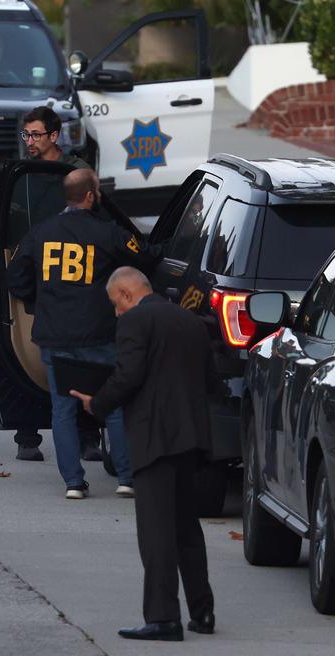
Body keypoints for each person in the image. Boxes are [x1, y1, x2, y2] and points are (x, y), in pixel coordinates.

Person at [71, 267, 216, 642]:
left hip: (154, 437)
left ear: (125, 294)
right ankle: (202, 612)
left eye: (114, 304)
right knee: (187, 528)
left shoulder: (135, 321)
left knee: (155, 532)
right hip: (191, 437)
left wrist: (96, 404)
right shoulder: (190, 321)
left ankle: (163, 617)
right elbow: (208, 378)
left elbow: (129, 374)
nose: (116, 313)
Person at [7, 169, 161, 498]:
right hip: (99, 335)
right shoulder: (108, 233)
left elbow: (15, 277)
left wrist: (41, 299)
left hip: (54, 335)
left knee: (61, 410)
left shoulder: (40, 232)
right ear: (90, 196)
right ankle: (125, 478)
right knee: (114, 406)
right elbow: (146, 257)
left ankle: (73, 483)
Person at [12, 106, 99, 462]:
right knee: (27, 357)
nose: (29, 142)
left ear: (54, 135)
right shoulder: (22, 175)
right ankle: (27, 433)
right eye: (26, 135)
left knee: (80, 362)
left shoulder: (75, 173)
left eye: (35, 135)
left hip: (75, 277)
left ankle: (87, 434)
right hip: (36, 277)